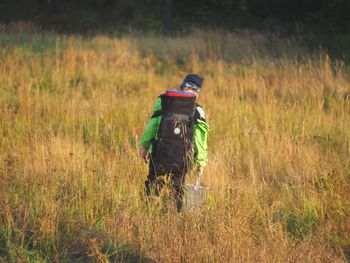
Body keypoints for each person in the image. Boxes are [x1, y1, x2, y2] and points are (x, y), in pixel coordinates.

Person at [139, 74, 209, 211]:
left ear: (182, 87)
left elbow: (153, 126)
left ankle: (149, 214)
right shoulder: (198, 111)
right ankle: (174, 215)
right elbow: (200, 139)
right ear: (197, 92)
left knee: (153, 186)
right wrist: (201, 162)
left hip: (159, 155)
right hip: (183, 158)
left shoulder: (163, 102)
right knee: (177, 189)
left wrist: (144, 146)